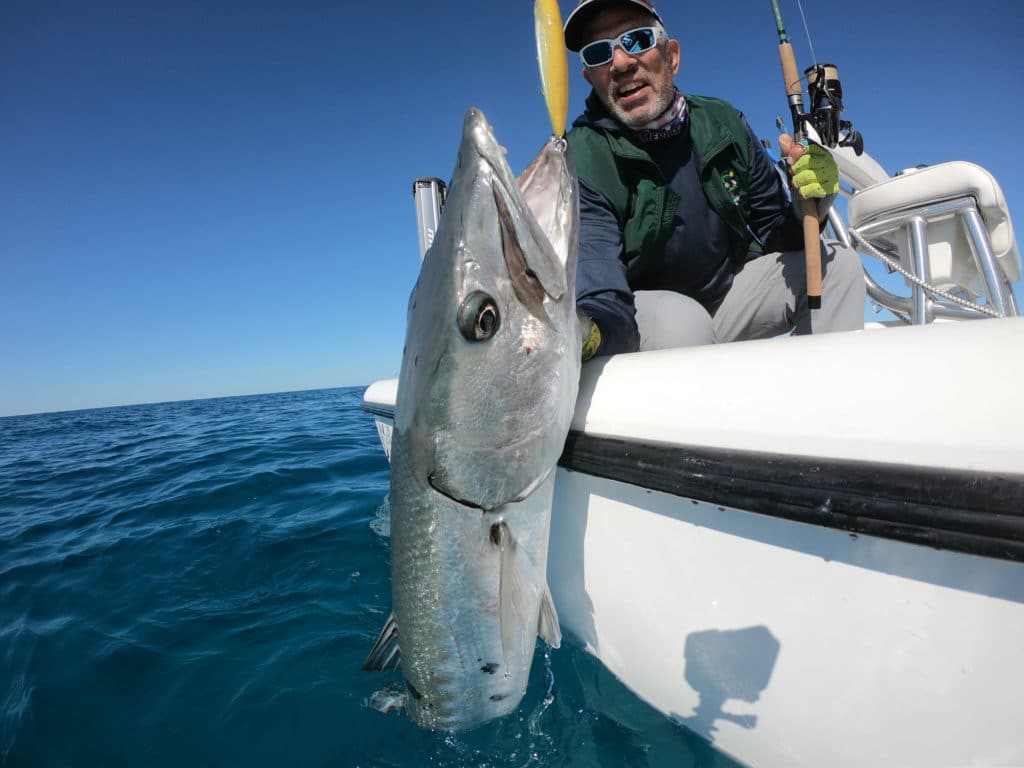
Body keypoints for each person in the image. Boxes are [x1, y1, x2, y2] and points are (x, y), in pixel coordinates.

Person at [563, 0, 866, 361]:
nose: (621, 63)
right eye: (599, 53)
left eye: (638, 39)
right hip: (644, 318)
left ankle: (824, 403)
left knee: (840, 267)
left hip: (726, 300)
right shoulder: (582, 154)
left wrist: (807, 202)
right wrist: (593, 335)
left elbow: (774, 232)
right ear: (590, 77)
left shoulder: (722, 122)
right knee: (684, 322)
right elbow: (597, 276)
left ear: (671, 55)